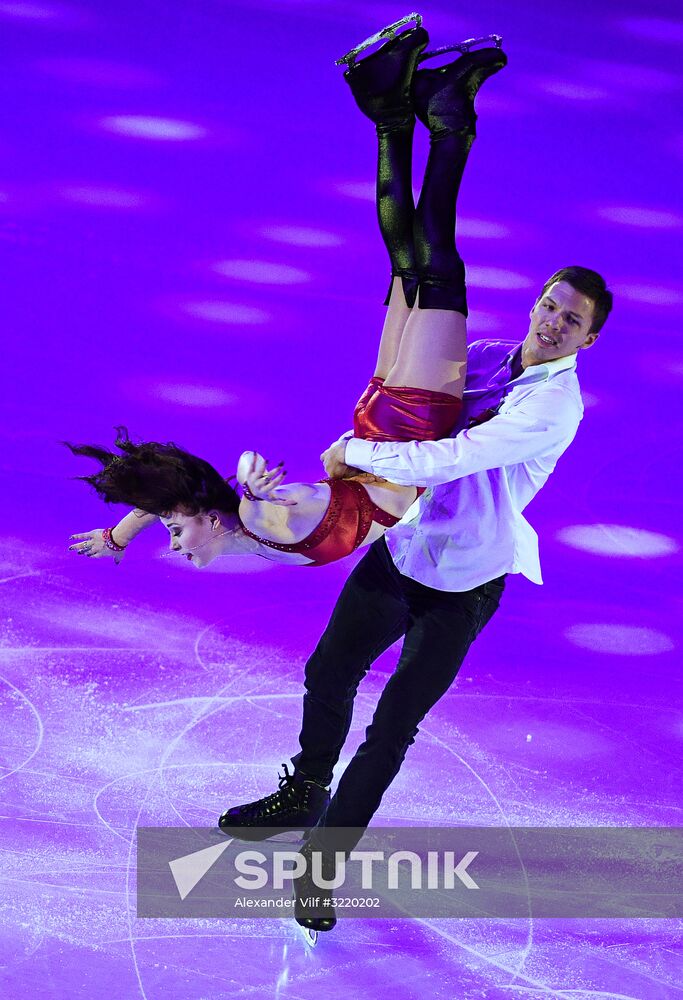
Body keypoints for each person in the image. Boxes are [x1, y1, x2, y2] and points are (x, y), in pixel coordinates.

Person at [216, 26, 613, 934]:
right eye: (549, 305)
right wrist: (356, 434)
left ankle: (321, 866)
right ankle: (301, 791)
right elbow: (408, 401)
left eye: (570, 320)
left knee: (391, 727)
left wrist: (357, 456)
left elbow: (447, 458)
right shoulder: (488, 355)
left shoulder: (553, 406)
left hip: (463, 582)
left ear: (589, 339)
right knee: (328, 670)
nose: (551, 323)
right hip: (403, 551)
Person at [66, 16, 507, 573]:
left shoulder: (260, 521)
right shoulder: (231, 522)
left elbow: (247, 491)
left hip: (408, 422)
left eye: (174, 533)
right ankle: (404, 104)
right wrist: (121, 533)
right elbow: (179, 499)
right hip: (380, 427)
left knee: (435, 264)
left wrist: (254, 486)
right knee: (412, 265)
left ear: (215, 520)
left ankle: (442, 116)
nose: (175, 544)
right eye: (174, 530)